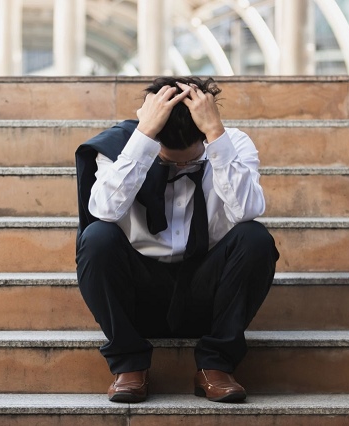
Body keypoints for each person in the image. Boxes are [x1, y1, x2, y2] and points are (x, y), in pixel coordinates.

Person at [74, 76, 279, 403]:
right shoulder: (121, 146)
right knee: (97, 238)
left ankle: (216, 365)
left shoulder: (231, 144)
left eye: (191, 160)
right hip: (140, 291)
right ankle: (129, 365)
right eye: (171, 161)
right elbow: (104, 210)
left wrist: (215, 134)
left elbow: (248, 210)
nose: (183, 167)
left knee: (255, 238)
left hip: (206, 291)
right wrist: (143, 137)